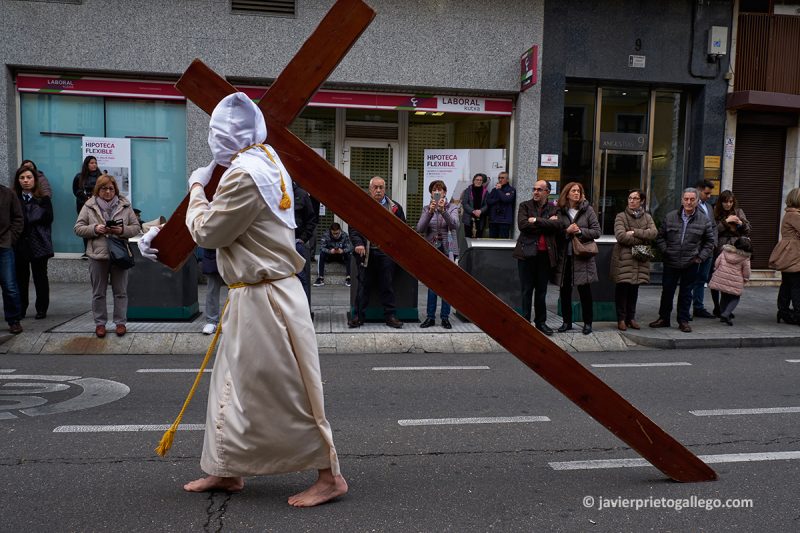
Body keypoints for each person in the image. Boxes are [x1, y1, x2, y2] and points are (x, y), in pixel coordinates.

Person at [138, 92, 346, 506]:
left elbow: (210, 232)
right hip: (259, 294)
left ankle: (329, 476)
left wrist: (196, 187)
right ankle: (226, 470)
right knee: (230, 386)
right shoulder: (268, 160)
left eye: (215, 134)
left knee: (286, 388)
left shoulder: (244, 174)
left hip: (265, 298)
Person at [73, 175, 141, 338]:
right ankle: (100, 324)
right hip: (97, 255)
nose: (108, 192)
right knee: (98, 292)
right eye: (104, 188)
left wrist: (122, 230)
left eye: (111, 188)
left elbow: (136, 227)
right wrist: (96, 228)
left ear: (115, 190)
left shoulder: (124, 205)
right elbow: (78, 228)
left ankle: (120, 323)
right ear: (98, 190)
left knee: (120, 292)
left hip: (119, 254)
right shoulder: (89, 206)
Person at [649, 188, 715, 333]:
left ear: (697, 201)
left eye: (692, 199)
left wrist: (700, 257)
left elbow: (710, 242)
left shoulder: (704, 220)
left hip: (691, 262)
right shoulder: (670, 216)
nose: (689, 202)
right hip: (671, 261)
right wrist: (666, 251)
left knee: (686, 293)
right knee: (667, 291)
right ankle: (663, 318)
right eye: (686, 199)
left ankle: (683, 321)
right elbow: (660, 237)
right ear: (682, 200)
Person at [348, 176, 406, 329]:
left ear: (385, 189)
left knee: (387, 284)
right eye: (376, 187)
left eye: (381, 187)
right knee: (363, 285)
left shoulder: (395, 208)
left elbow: (402, 231)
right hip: (365, 252)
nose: (379, 190)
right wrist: (358, 244)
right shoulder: (361, 206)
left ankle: (390, 316)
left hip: (386, 252)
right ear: (370, 189)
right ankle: (358, 317)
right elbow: (353, 228)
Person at [512, 179, 560, 336]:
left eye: (540, 189)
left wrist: (536, 221)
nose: (536, 192)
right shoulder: (525, 205)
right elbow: (523, 225)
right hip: (527, 254)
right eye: (534, 189)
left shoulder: (554, 208)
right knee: (526, 290)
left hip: (545, 255)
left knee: (541, 291)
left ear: (547, 192)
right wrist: (546, 223)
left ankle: (541, 323)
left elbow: (557, 226)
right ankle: (525, 322)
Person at [552, 182, 600, 335]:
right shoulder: (559, 211)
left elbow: (596, 231)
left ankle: (587, 323)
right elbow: (553, 233)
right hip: (564, 258)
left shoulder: (588, 210)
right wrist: (567, 231)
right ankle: (567, 322)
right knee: (565, 292)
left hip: (582, 257)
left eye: (578, 191)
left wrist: (579, 231)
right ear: (567, 194)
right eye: (573, 191)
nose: (576, 193)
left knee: (585, 292)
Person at [610, 189, 657, 331]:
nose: (631, 200)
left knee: (634, 290)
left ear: (641, 201)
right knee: (622, 289)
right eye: (630, 198)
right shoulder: (621, 216)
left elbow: (654, 233)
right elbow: (621, 236)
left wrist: (635, 232)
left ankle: (631, 318)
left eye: (635, 198)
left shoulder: (647, 217)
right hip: (624, 259)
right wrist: (643, 238)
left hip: (640, 259)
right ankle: (621, 319)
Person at [416, 180, 459, 329]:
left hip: (449, 248)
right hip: (432, 248)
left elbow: (454, 225)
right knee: (432, 285)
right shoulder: (427, 208)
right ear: (431, 193)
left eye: (440, 190)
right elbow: (420, 228)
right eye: (435, 190)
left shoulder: (452, 207)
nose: (437, 193)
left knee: (446, 285)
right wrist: (430, 212)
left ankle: (445, 317)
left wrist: (443, 210)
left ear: (445, 193)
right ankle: (430, 317)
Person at [13, 166, 54, 320]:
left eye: (29, 177)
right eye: (22, 178)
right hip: (20, 243)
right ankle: (21, 308)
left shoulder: (43, 198)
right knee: (20, 279)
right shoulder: (14, 198)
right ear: (18, 180)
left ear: (35, 180)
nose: (26, 181)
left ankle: (41, 308)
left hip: (39, 243)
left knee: (40, 278)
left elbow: (48, 218)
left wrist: (28, 216)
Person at [710, 190, 751, 317]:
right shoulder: (714, 211)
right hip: (720, 247)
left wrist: (740, 224)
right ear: (720, 202)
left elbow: (748, 230)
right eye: (725, 202)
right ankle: (717, 306)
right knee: (717, 277)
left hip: (736, 247)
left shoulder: (739, 211)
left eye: (730, 202)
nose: (728, 204)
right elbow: (713, 231)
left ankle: (725, 308)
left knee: (730, 278)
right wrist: (726, 221)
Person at [768, 187, 800, 325]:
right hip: (794, 253)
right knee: (796, 285)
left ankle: (783, 311)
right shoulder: (795, 215)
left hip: (790, 252)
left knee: (787, 284)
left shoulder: (790, 214)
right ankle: (796, 315)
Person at [708, 237, 752, 326]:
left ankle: (722, 314)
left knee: (724, 296)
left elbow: (717, 262)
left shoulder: (725, 251)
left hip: (721, 277)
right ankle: (726, 313)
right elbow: (746, 271)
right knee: (735, 297)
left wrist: (716, 269)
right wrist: (746, 278)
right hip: (735, 280)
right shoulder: (745, 257)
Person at [690, 179, 717, 319]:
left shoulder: (709, 207)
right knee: (691, 279)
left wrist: (714, 242)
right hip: (696, 249)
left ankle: (698, 307)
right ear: (699, 190)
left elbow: (713, 226)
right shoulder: (691, 206)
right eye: (706, 193)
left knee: (702, 279)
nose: (709, 196)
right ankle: (687, 308)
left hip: (709, 249)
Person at [0, 179, 23, 334]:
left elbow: (18, 218)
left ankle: (14, 320)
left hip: (4, 246)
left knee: (9, 286)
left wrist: (10, 238)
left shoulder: (8, 193)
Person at [293, 180, 318, 311]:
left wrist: (303, 239)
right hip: (279, 243)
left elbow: (311, 219)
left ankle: (304, 312)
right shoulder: (275, 192)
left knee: (302, 279)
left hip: (297, 243)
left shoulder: (301, 194)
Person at [72, 156, 103, 258]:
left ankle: (97, 249)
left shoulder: (100, 176)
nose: (94, 165)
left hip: (98, 205)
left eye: (95, 162)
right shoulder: (79, 176)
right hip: (83, 204)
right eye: (91, 163)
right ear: (86, 164)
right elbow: (76, 190)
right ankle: (87, 250)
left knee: (97, 225)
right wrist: (85, 197)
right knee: (85, 226)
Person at [314, 222, 353, 287]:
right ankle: (320, 278)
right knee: (321, 254)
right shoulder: (326, 235)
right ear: (331, 231)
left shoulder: (345, 235)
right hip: (330, 256)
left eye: (337, 233)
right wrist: (329, 251)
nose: (335, 235)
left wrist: (343, 250)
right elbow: (321, 247)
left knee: (349, 254)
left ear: (340, 230)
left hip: (341, 256)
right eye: (333, 233)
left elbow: (350, 247)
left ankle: (348, 277)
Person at [200, 248, 224, 335]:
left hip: (236, 250)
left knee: (237, 288)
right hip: (213, 250)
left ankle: (235, 319)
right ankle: (211, 321)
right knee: (212, 287)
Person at [485, 171, 516, 238]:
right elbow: (488, 201)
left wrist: (499, 190)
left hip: (504, 221)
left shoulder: (511, 190)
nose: (500, 179)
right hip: (493, 220)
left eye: (502, 178)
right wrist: (499, 199)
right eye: (499, 178)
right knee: (492, 242)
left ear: (507, 180)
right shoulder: (494, 190)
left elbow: (507, 199)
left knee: (503, 242)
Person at [460, 173, 488, 238]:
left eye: (480, 180)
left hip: (480, 217)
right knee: (468, 237)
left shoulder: (486, 191)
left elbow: (487, 204)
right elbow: (465, 203)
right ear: (474, 180)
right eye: (477, 179)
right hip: (468, 218)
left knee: (479, 237)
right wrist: (473, 211)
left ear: (482, 181)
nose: (479, 181)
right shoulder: (467, 190)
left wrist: (480, 211)